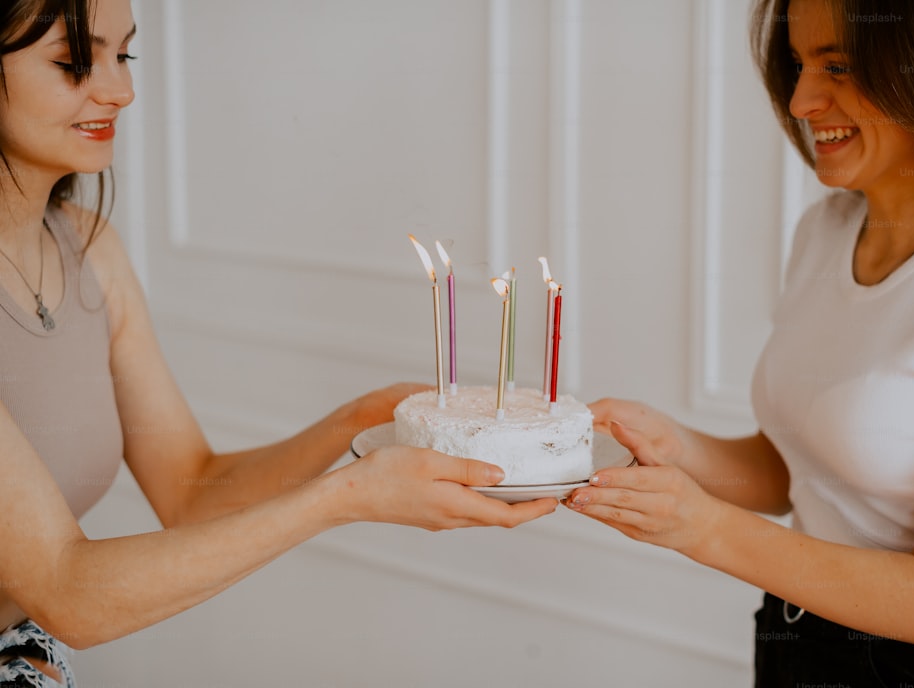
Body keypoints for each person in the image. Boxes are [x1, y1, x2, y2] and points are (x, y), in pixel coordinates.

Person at [0, 1, 557, 684]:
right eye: (74, 61)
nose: (121, 90)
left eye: (125, 55)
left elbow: (193, 490)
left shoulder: (92, 251)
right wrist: (346, 497)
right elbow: (67, 593)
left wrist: (361, 421)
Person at [566, 0, 914, 685]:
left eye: (839, 65)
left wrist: (700, 528)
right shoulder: (826, 231)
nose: (800, 99)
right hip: (795, 637)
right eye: (799, 65)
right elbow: (798, 470)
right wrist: (675, 447)